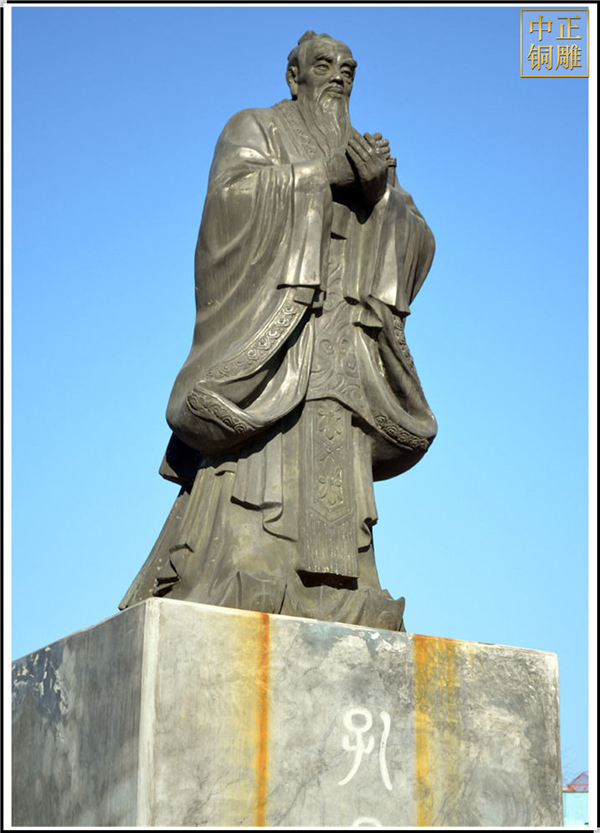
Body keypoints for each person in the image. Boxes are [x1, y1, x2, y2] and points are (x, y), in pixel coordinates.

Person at [120, 31, 437, 631]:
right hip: (277, 334)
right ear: (295, 76)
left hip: (341, 341)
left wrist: (382, 199)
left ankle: (341, 588)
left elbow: (419, 239)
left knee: (335, 467)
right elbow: (228, 206)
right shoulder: (256, 129)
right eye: (324, 65)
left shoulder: (366, 152)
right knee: (261, 469)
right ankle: (246, 568)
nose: (337, 76)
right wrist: (321, 177)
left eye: (348, 68)